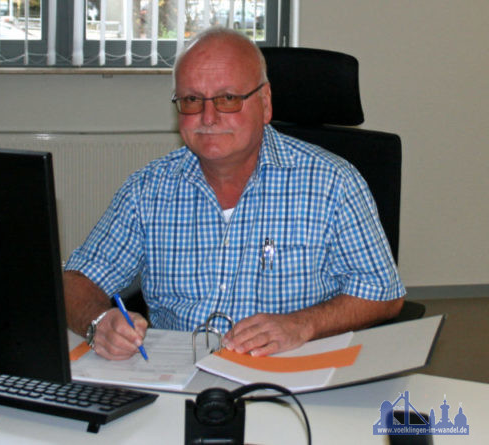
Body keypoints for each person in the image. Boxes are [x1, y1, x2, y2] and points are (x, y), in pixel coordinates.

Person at [63, 26, 405, 361]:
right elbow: (75, 282)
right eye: (192, 100)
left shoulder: (333, 183)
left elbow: (383, 294)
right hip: (176, 379)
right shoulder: (147, 191)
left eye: (228, 98)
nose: (208, 117)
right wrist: (99, 323)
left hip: (289, 378)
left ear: (266, 103)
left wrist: (303, 324)